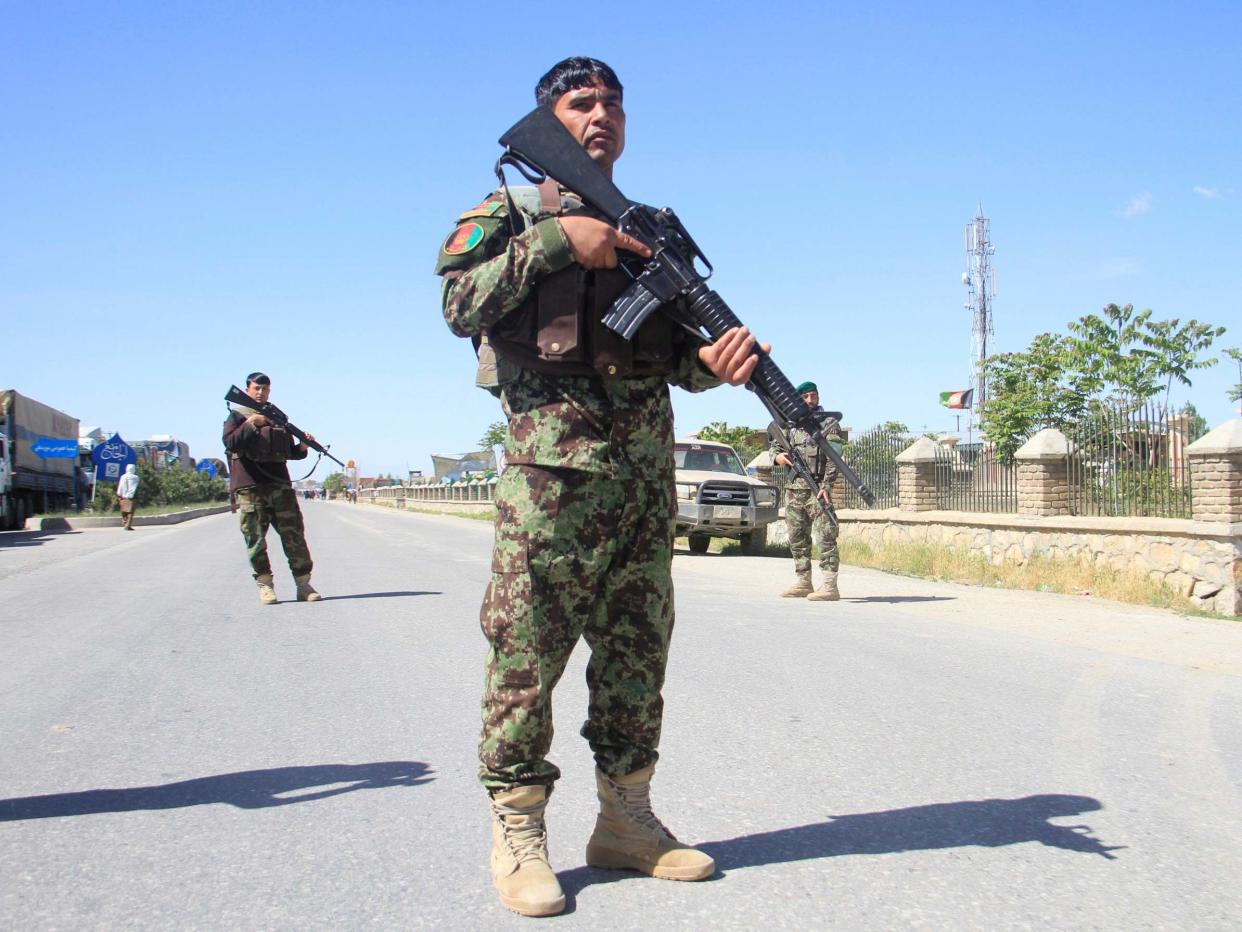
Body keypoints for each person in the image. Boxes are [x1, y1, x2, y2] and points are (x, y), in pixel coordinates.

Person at [436, 56, 765, 917]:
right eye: (582, 103)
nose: (602, 115)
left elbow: (663, 356)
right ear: (549, 119)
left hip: (642, 486)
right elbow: (458, 304)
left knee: (634, 658)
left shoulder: (651, 230)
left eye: (614, 104)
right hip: (551, 487)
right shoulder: (507, 212)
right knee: (526, 660)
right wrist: (556, 241)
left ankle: (625, 821)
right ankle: (517, 831)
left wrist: (714, 363)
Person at [221, 372, 322, 605]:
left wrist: (303, 446)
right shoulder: (237, 415)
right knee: (255, 540)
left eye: (265, 389)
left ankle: (303, 584)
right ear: (247, 389)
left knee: (294, 535)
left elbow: (288, 452)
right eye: (257, 388)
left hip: (279, 486)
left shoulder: (277, 417)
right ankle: (265, 586)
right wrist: (251, 423)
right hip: (250, 486)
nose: (261, 393)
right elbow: (229, 443)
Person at [770, 381, 843, 601]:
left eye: (814, 396)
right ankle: (803, 581)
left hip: (817, 489)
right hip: (794, 490)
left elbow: (834, 457)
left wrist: (827, 485)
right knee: (796, 537)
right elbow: (775, 445)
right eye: (806, 397)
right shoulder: (788, 424)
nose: (811, 401)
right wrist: (777, 457)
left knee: (826, 535)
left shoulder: (828, 423)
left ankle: (830, 586)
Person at [116, 464, 140, 531]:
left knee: (124, 510)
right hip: (131, 497)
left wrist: (119, 494)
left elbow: (120, 486)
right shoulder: (136, 477)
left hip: (123, 496)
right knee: (130, 512)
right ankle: (128, 525)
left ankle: (125, 523)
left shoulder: (123, 477)